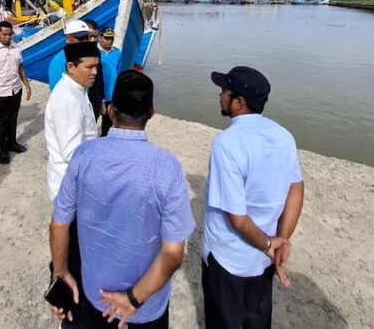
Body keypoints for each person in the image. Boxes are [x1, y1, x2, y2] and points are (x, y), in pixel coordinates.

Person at [50, 70, 195, 328]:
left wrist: (60, 271)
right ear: (151, 112)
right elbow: (173, 254)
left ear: (110, 111)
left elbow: (59, 223)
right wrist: (133, 299)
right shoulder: (167, 167)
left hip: (97, 293)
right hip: (147, 301)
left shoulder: (84, 156)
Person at [202, 66, 305, 328]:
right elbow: (296, 188)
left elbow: (237, 218)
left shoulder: (228, 142)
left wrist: (270, 245)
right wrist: (281, 239)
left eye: (224, 91)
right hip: (262, 261)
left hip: (229, 259)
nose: (220, 96)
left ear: (239, 102)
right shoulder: (283, 135)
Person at [44, 40, 100, 328]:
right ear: (71, 67)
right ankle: (69, 306)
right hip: (71, 187)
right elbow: (72, 152)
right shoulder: (67, 98)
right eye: (88, 67)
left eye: (96, 66)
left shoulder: (78, 91)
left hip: (75, 185)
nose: (94, 72)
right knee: (70, 253)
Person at [0, 20, 31, 165]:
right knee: (1, 122)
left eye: (10, 34)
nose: (8, 37)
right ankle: (3, 149)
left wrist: (27, 85)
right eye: (5, 34)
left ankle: (12, 143)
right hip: (0, 92)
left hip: (15, 89)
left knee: (13, 119)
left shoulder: (17, 48)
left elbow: (20, 68)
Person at [47, 20, 91, 90]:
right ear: (68, 38)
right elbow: (57, 91)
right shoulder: (59, 61)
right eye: (80, 38)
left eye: (87, 38)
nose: (85, 42)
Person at [98, 27, 122, 136]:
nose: (109, 41)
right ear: (100, 37)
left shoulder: (117, 53)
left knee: (107, 124)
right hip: (96, 94)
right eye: (107, 38)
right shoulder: (95, 52)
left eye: (111, 38)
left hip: (111, 96)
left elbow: (120, 72)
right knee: (90, 120)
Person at [83, 19, 107, 121]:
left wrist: (102, 100)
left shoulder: (97, 52)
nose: (93, 40)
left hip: (95, 100)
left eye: (95, 36)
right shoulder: (72, 56)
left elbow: (99, 78)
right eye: (90, 36)